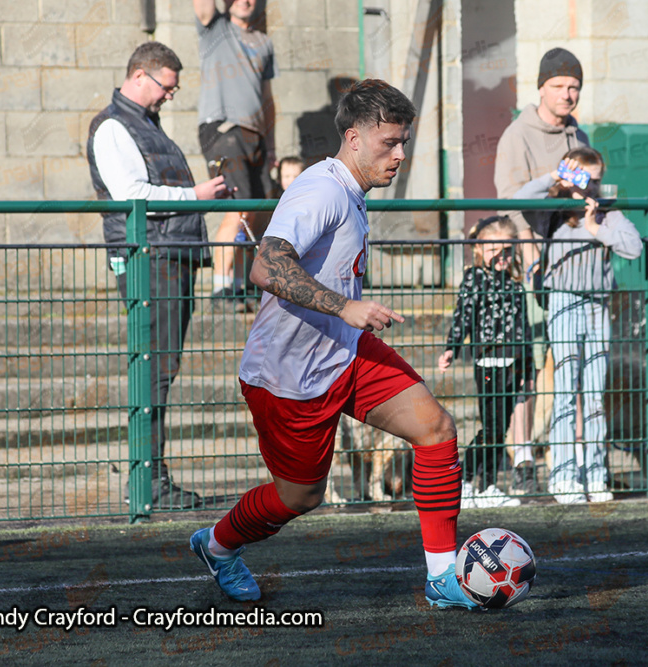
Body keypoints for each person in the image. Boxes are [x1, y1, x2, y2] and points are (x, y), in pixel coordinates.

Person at [190, 79, 478, 610]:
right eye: (389, 143)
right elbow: (265, 264)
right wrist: (346, 307)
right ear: (352, 137)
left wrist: (347, 319)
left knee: (436, 431)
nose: (399, 155)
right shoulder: (321, 188)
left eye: (404, 142)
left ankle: (441, 576)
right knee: (298, 496)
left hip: (345, 352)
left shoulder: (352, 188)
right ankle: (218, 545)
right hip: (288, 375)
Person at [86, 41, 229, 510]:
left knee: (160, 370)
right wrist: (197, 195)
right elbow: (131, 195)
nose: (171, 95)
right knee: (153, 371)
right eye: (168, 86)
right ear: (142, 76)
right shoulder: (112, 126)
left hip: (171, 257)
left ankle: (152, 479)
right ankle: (149, 483)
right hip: (152, 260)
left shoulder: (146, 126)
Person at [514, 147, 643, 504]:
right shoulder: (552, 213)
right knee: (566, 391)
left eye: (596, 180)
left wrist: (595, 228)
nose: (591, 187)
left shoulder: (605, 213)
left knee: (594, 393)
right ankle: (564, 476)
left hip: (598, 306)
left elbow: (633, 248)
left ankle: (596, 474)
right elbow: (519, 199)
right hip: (563, 302)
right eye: (585, 178)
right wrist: (554, 178)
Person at [493, 47, 589, 491]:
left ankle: (573, 457)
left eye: (574, 87)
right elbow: (509, 200)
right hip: (529, 265)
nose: (568, 94)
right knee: (528, 362)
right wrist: (528, 249)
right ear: (541, 87)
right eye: (559, 86)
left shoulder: (578, 136)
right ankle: (521, 458)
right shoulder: (518, 133)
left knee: (571, 359)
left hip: (570, 266)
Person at [437, 216, 533, 509]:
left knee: (501, 429)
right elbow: (463, 315)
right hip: (489, 361)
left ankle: (488, 485)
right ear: (481, 250)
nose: (502, 257)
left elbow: (523, 325)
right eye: (495, 251)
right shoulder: (475, 278)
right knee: (490, 428)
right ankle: (464, 480)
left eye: (508, 250)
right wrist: (452, 347)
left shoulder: (515, 283)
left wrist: (526, 363)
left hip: (513, 361)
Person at [193, 0, 278, 311]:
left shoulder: (263, 42)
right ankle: (221, 286)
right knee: (237, 208)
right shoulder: (215, 29)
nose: (246, 1)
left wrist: (271, 147)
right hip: (222, 130)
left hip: (255, 135)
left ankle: (241, 285)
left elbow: (267, 99)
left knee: (257, 211)